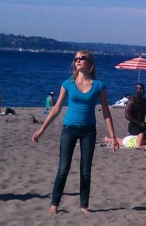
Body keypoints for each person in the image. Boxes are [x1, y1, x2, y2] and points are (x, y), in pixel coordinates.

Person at [33, 50, 120, 215]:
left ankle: (83, 205)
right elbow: (57, 108)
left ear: (90, 63)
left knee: (85, 170)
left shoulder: (99, 86)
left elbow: (106, 112)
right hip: (69, 129)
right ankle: (54, 204)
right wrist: (42, 129)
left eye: (82, 58)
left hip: (88, 131)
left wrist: (113, 137)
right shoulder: (67, 84)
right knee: (63, 168)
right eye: (76, 59)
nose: (78, 60)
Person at [124, 83, 146, 147]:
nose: (142, 91)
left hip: (143, 125)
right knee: (142, 137)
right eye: (140, 89)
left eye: (143, 89)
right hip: (134, 125)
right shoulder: (132, 100)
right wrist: (139, 123)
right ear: (136, 90)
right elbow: (127, 115)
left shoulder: (145, 101)